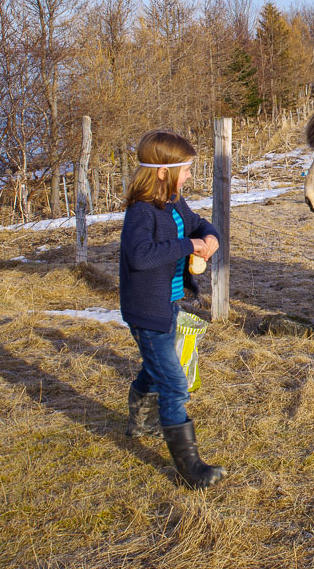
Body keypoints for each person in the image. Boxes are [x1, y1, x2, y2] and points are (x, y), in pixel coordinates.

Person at [119, 129, 226, 489]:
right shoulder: (141, 212)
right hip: (147, 310)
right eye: (187, 168)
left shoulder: (174, 202)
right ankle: (189, 468)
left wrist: (209, 237)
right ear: (163, 171)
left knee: (157, 369)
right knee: (174, 383)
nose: (191, 175)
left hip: (169, 302)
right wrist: (187, 244)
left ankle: (141, 420)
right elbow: (140, 256)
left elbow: (198, 224)